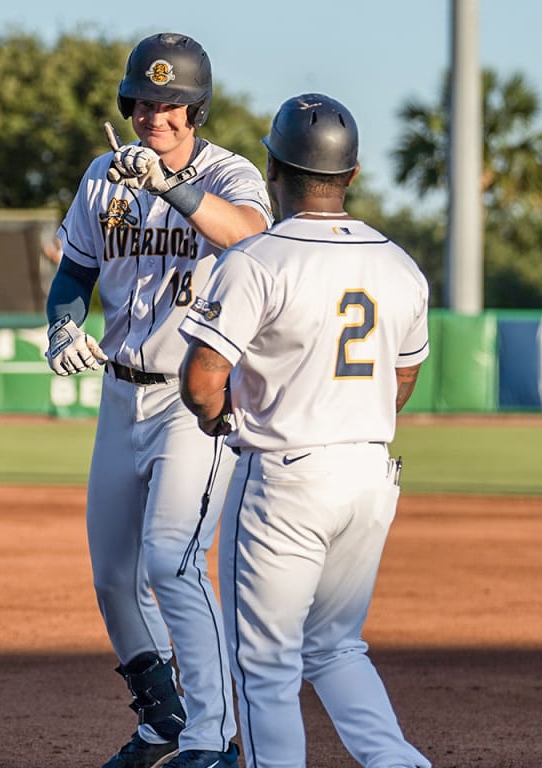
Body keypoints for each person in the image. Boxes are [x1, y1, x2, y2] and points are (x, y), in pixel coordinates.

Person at [177, 94, 435, 768]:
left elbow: (202, 380)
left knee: (264, 664)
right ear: (351, 176)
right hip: (370, 474)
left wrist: (221, 417)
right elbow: (403, 382)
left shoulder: (257, 261)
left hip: (287, 476)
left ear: (271, 167)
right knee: (335, 645)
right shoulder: (400, 265)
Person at [44, 32, 271, 768]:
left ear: (195, 107)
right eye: (143, 100)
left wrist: (169, 185)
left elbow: (250, 235)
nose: (154, 114)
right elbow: (75, 267)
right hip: (119, 395)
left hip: (193, 401)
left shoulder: (229, 173)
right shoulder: (101, 176)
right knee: (114, 576)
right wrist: (61, 324)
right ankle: (163, 723)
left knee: (172, 562)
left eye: (170, 102)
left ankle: (219, 735)